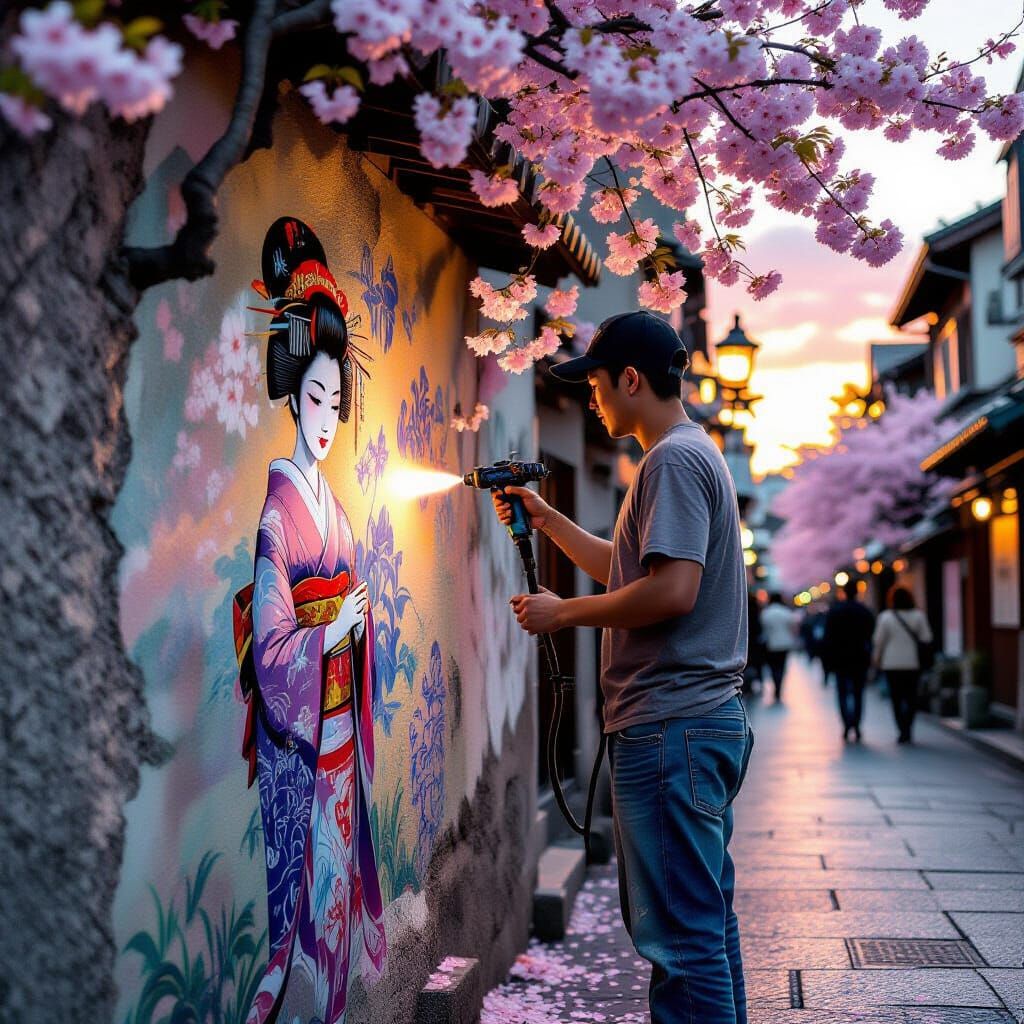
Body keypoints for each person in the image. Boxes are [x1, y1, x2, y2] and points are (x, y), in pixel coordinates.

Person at [493, 310, 754, 1024]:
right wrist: (548, 521)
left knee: (680, 938)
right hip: (696, 727)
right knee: (703, 923)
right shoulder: (691, 453)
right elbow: (630, 568)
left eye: (598, 385)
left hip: (671, 729)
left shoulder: (670, 459)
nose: (592, 399)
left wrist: (562, 614)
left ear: (631, 379)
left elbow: (672, 593)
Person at [233, 218, 386, 1024]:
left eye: (337, 401)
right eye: (315, 398)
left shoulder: (335, 511)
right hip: (301, 743)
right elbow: (272, 644)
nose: (325, 418)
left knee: (333, 908)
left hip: (338, 742)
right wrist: (331, 631)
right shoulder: (280, 514)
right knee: (300, 922)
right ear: (292, 395)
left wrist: (354, 630)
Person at [872, 585, 933, 744]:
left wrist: (876, 659)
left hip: (891, 663)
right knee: (911, 696)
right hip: (913, 663)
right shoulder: (918, 616)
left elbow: (879, 642)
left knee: (896, 697)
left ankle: (901, 729)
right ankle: (908, 727)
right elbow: (927, 638)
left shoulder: (886, 617)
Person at [822, 583, 875, 742]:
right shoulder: (864, 611)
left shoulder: (836, 611)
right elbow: (871, 633)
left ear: (843, 593)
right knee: (858, 693)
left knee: (842, 692)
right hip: (859, 657)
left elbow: (828, 637)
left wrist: (827, 660)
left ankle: (846, 724)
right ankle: (857, 725)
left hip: (840, 658)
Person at [759, 593, 798, 702]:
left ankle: (776, 685)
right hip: (784, 644)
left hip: (771, 644)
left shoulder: (766, 613)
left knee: (773, 667)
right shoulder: (786, 612)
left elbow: (763, 628)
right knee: (781, 667)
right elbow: (793, 628)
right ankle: (779, 688)